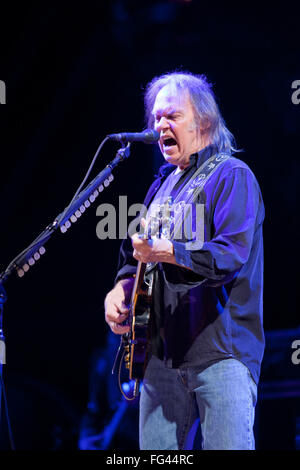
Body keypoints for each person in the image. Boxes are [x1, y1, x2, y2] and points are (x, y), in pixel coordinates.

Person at [104, 71, 265, 450]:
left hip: (220, 354)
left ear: (203, 121)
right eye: (156, 118)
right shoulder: (160, 187)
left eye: (171, 116)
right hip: (160, 359)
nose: (160, 125)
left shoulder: (231, 176)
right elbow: (134, 257)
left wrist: (168, 251)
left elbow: (229, 256)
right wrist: (121, 289)